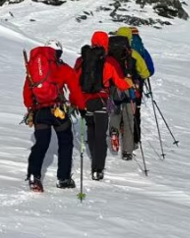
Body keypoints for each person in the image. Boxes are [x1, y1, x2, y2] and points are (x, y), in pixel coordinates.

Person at [71, 32, 131, 181]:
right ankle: (98, 169)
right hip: (101, 101)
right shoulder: (109, 62)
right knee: (100, 135)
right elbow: (120, 83)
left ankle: (94, 160)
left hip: (85, 102)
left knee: (91, 131)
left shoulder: (81, 59)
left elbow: (74, 81)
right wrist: (130, 82)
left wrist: (73, 100)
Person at [22, 40, 79, 191]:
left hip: (40, 111)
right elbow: (75, 89)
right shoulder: (63, 68)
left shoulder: (34, 68)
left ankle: (34, 176)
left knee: (41, 144)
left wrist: (31, 108)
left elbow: (27, 94)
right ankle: (64, 178)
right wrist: (78, 105)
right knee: (65, 141)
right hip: (58, 110)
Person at [112, 27, 153, 159]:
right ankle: (127, 151)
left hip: (114, 88)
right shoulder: (134, 53)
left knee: (115, 112)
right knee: (130, 116)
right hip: (131, 89)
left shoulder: (110, 53)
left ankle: (114, 130)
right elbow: (145, 72)